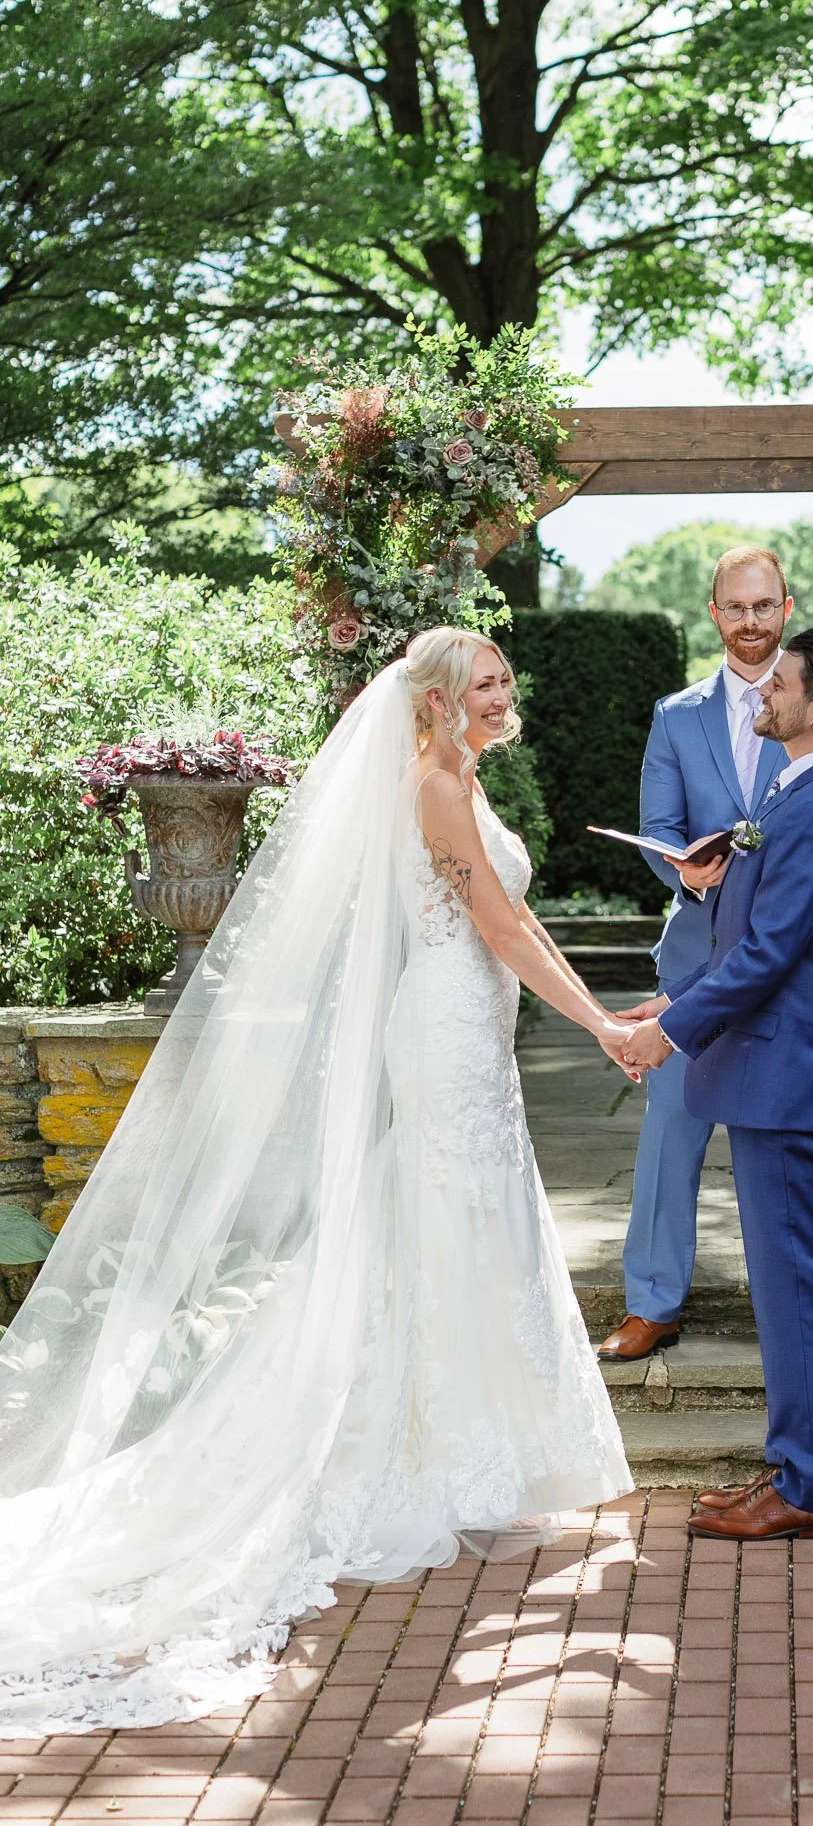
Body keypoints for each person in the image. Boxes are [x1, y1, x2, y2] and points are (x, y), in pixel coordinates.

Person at [0, 628, 633, 1736]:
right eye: (483, 680)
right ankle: (426, 1449)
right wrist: (606, 1025)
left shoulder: (457, 779)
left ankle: (475, 1439)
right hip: (444, 1028)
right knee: (445, 1219)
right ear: (434, 700)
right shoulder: (433, 786)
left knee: (466, 1224)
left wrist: (600, 1019)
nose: (504, 691)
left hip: (473, 1028)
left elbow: (515, 923)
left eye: (504, 677)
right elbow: (498, 922)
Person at [620, 629, 813, 1541]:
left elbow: (772, 956)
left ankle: (808, 1488)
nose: (759, 693)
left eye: (778, 685)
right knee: (784, 1288)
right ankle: (793, 1468)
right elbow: (758, 935)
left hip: (788, 1075)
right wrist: (678, 992)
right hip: (775, 1070)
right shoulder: (800, 787)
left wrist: (667, 1032)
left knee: (792, 1289)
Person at [596, 547, 813, 1364]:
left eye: (765, 607)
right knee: (670, 1133)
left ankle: (786, 1311)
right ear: (713, 612)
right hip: (696, 953)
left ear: (785, 608)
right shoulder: (675, 713)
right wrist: (686, 874)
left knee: (774, 1148)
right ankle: (653, 1301)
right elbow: (657, 825)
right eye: (735, 607)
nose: (750, 622)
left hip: (782, 971)